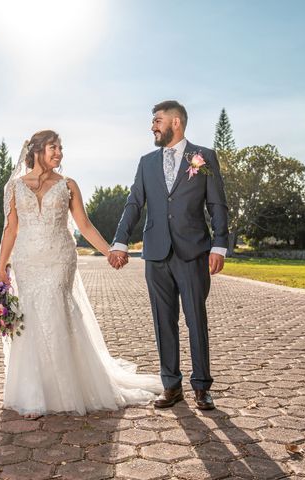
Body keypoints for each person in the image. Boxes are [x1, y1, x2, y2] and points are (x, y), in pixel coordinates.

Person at [0, 130, 162, 419]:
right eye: (53, 147)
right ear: (36, 150)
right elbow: (11, 229)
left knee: (56, 309)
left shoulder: (68, 185)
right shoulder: (14, 187)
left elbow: (84, 225)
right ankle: (35, 393)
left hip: (59, 257)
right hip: (26, 260)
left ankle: (66, 389)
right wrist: (1, 267)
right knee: (31, 316)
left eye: (60, 148)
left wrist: (110, 251)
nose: (59, 153)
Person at [108, 100, 229, 411]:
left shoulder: (204, 157)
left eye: (158, 121)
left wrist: (219, 245)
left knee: (196, 319)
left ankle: (202, 387)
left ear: (176, 122)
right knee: (164, 321)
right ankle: (171, 386)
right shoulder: (146, 162)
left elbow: (216, 205)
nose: (153, 126)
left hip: (194, 252)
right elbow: (133, 203)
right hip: (156, 253)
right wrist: (120, 241)